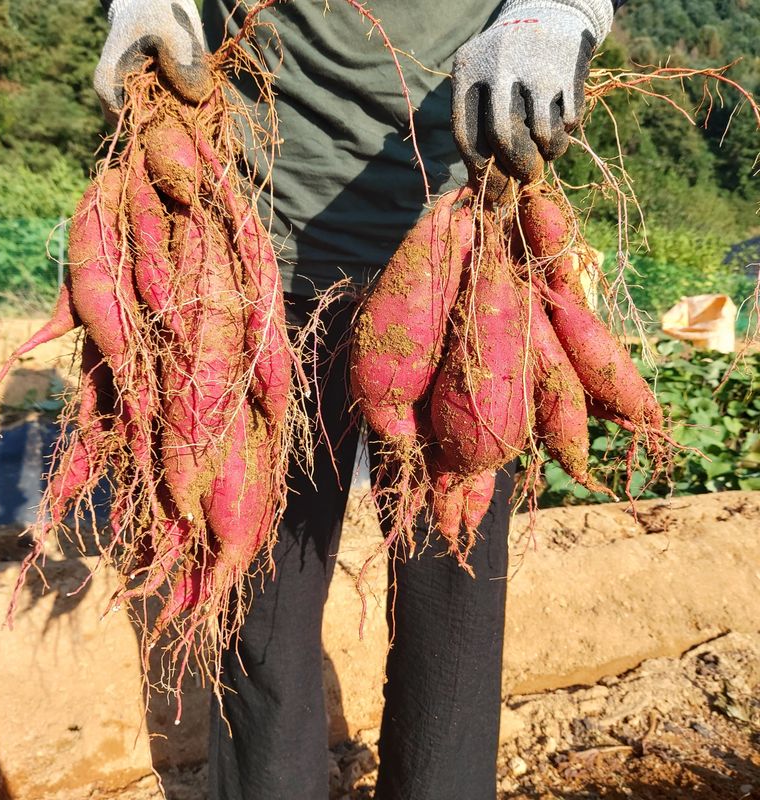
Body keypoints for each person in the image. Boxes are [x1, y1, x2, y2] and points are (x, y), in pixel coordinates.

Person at [94, 1, 625, 797]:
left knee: (455, 596)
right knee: (259, 596)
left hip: (465, 263)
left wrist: (562, 9)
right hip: (259, 258)